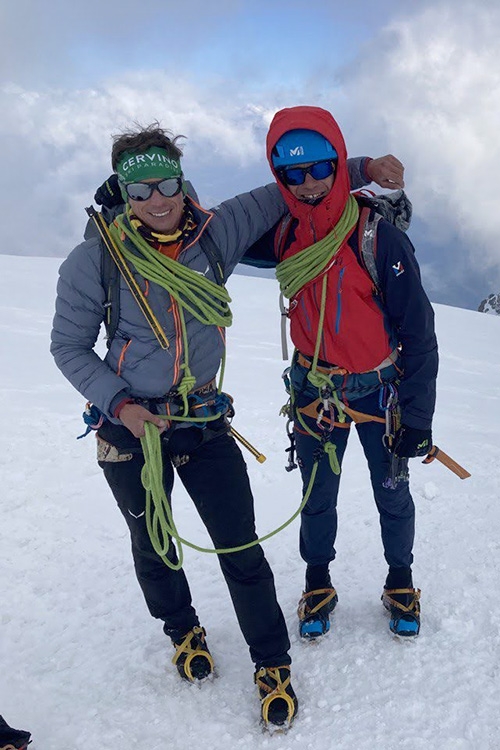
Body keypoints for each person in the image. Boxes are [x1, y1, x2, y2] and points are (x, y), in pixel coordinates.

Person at [50, 123, 398, 729]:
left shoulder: (217, 233)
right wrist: (122, 406)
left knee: (241, 545)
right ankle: (182, 629)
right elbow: (69, 347)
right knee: (155, 542)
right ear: (122, 193)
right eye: (140, 191)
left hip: (204, 421)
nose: (156, 201)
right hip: (131, 430)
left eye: (166, 184)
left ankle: (272, 661)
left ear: (184, 182)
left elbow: (288, 189)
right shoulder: (95, 260)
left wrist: (365, 165)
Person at [243, 105, 437, 640]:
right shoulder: (282, 232)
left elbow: (419, 333)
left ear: (337, 162)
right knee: (317, 494)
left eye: (320, 169)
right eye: (292, 174)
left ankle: (401, 579)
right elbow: (209, 232)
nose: (307, 185)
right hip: (316, 389)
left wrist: (418, 416)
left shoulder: (378, 238)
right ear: (278, 176)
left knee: (391, 490)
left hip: (379, 390)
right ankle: (317, 580)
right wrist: (139, 206)